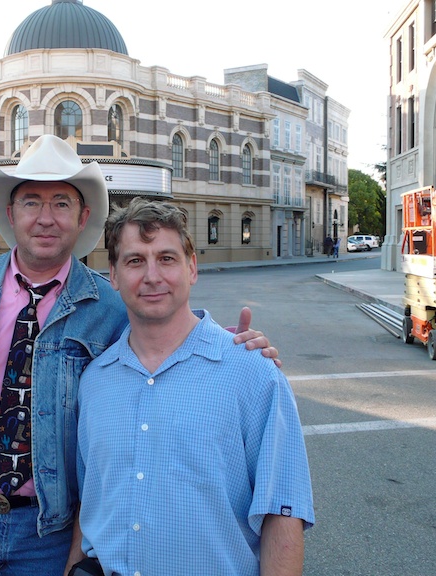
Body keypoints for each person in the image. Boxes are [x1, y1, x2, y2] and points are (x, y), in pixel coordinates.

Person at [0, 135, 280, 576]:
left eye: (61, 204)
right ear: (11, 214)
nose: (46, 218)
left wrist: (234, 346)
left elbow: (166, 334)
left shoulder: (109, 305)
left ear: (82, 216)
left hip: (50, 536)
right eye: (31, 202)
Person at [72, 197, 314, 576]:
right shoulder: (94, 382)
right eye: (135, 260)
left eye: (166, 258)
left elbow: (282, 516)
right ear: (114, 275)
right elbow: (90, 504)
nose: (152, 276)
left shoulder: (252, 373)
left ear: (192, 268)